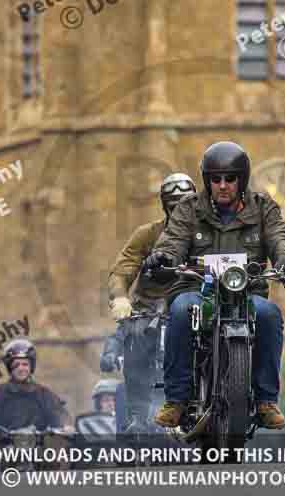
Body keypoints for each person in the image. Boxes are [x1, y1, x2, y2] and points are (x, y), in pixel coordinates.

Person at [144, 141, 285, 431]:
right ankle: (177, 400)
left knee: (269, 314)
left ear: (241, 179)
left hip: (246, 294)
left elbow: (280, 236)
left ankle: (266, 401)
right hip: (196, 291)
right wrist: (165, 255)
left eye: (230, 179)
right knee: (181, 310)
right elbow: (173, 239)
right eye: (215, 179)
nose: (223, 185)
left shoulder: (263, 208)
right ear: (207, 181)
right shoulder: (188, 209)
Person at [108, 172, 197, 430]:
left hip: (197, 305)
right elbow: (123, 268)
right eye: (173, 203)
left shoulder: (209, 234)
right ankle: (138, 415)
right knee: (135, 336)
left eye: (185, 202)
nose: (179, 208)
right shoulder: (147, 234)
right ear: (165, 205)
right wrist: (120, 297)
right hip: (152, 309)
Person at [0, 338, 73, 433]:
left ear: (31, 367)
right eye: (16, 365)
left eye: (25, 364)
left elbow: (58, 411)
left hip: (37, 446)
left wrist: (66, 425)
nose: (21, 368)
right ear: (10, 368)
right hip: (3, 446)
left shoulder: (43, 393)